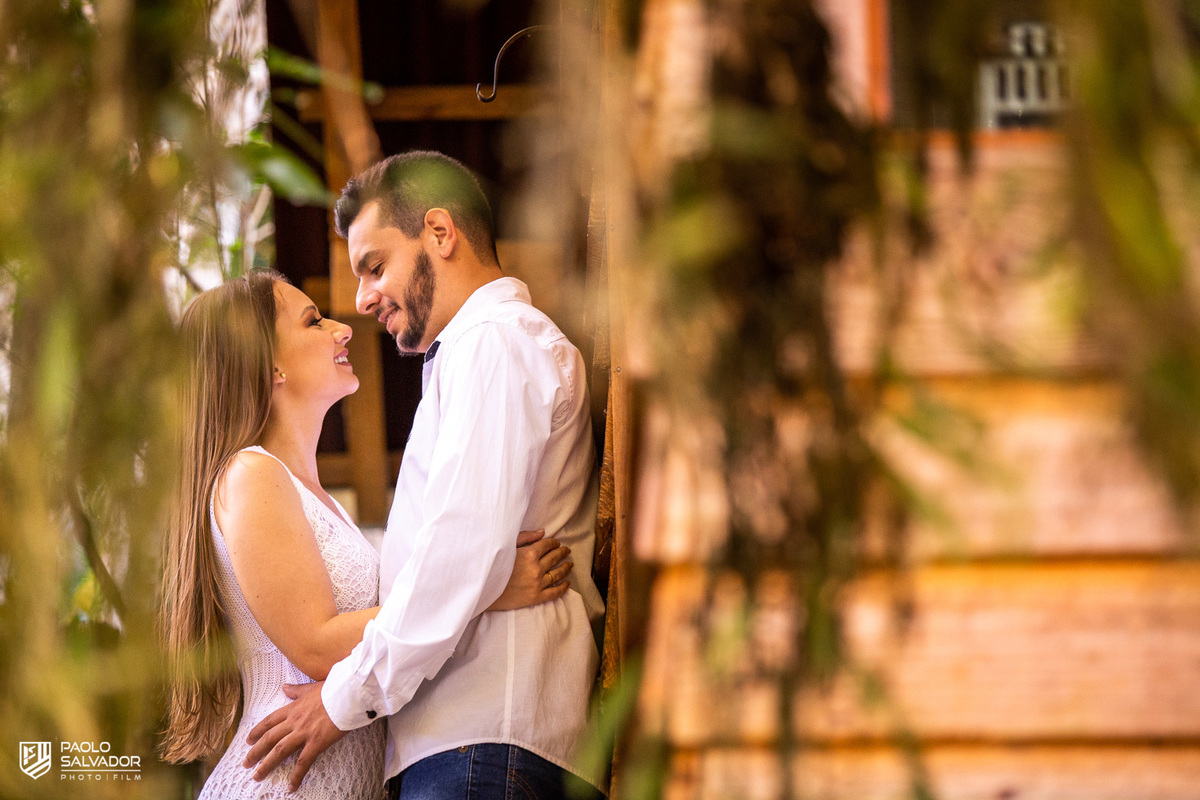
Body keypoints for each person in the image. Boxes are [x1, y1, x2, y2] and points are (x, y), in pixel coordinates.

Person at [242, 151, 606, 800]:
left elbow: (457, 557)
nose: (359, 300)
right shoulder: (471, 354)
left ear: (439, 234)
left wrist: (338, 704)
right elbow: (460, 567)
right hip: (472, 747)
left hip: (486, 740)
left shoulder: (496, 344)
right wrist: (488, 585)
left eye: (374, 267)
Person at [159, 270, 575, 799]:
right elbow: (316, 644)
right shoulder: (251, 474)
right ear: (270, 365)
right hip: (281, 783)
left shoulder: (318, 501)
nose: (344, 327)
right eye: (314, 321)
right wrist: (483, 589)